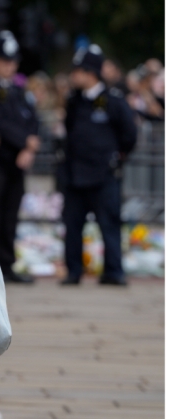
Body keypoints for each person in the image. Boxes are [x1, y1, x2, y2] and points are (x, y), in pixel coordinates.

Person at [61, 44, 137, 286]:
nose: (74, 76)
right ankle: (74, 271)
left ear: (90, 73)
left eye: (78, 71)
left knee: (109, 223)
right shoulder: (74, 101)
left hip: (103, 174)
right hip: (76, 174)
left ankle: (114, 271)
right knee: (73, 225)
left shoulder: (113, 101)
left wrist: (117, 157)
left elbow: (129, 134)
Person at [0, 30, 39, 284]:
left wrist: (29, 147)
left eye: (12, 61)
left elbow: (31, 120)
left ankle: (7, 265)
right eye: (4, 60)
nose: (9, 66)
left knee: (11, 215)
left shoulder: (19, 90)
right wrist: (24, 142)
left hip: (17, 163)